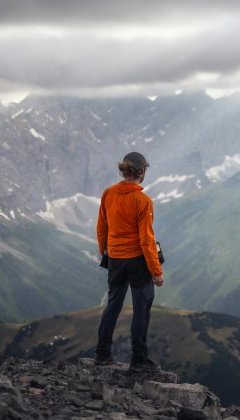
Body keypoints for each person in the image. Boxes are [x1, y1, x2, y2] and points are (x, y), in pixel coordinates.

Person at [94, 151, 164, 372]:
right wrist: (156, 270)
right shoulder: (143, 201)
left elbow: (101, 229)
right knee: (141, 307)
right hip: (137, 261)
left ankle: (102, 354)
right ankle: (139, 360)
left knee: (113, 304)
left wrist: (107, 252)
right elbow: (146, 240)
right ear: (142, 172)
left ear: (123, 170)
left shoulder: (108, 194)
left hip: (114, 258)